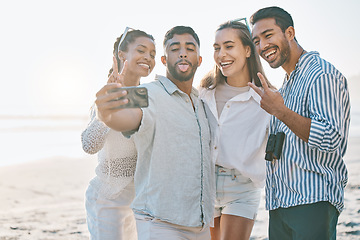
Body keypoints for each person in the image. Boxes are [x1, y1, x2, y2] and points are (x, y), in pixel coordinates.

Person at [94, 26, 214, 240]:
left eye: (190, 48)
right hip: (160, 224)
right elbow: (122, 117)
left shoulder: (202, 103)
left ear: (200, 59)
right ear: (164, 60)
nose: (183, 53)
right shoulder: (148, 93)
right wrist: (107, 111)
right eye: (175, 48)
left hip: (200, 225)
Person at [249, 6, 351, 240]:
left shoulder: (320, 74)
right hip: (281, 204)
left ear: (290, 33)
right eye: (256, 40)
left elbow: (331, 137)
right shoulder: (286, 85)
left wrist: (281, 111)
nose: (262, 46)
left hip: (312, 203)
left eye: (268, 35)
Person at [199, 20, 273, 240]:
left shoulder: (267, 99)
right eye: (217, 47)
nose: (221, 54)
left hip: (242, 187)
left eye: (229, 46)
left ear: (248, 50)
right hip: (205, 185)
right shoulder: (204, 92)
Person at [81, 28, 156, 240]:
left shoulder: (152, 96)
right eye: (141, 50)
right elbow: (89, 144)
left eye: (152, 53)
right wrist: (109, 108)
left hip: (141, 202)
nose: (148, 58)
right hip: (107, 199)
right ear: (121, 55)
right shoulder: (106, 95)